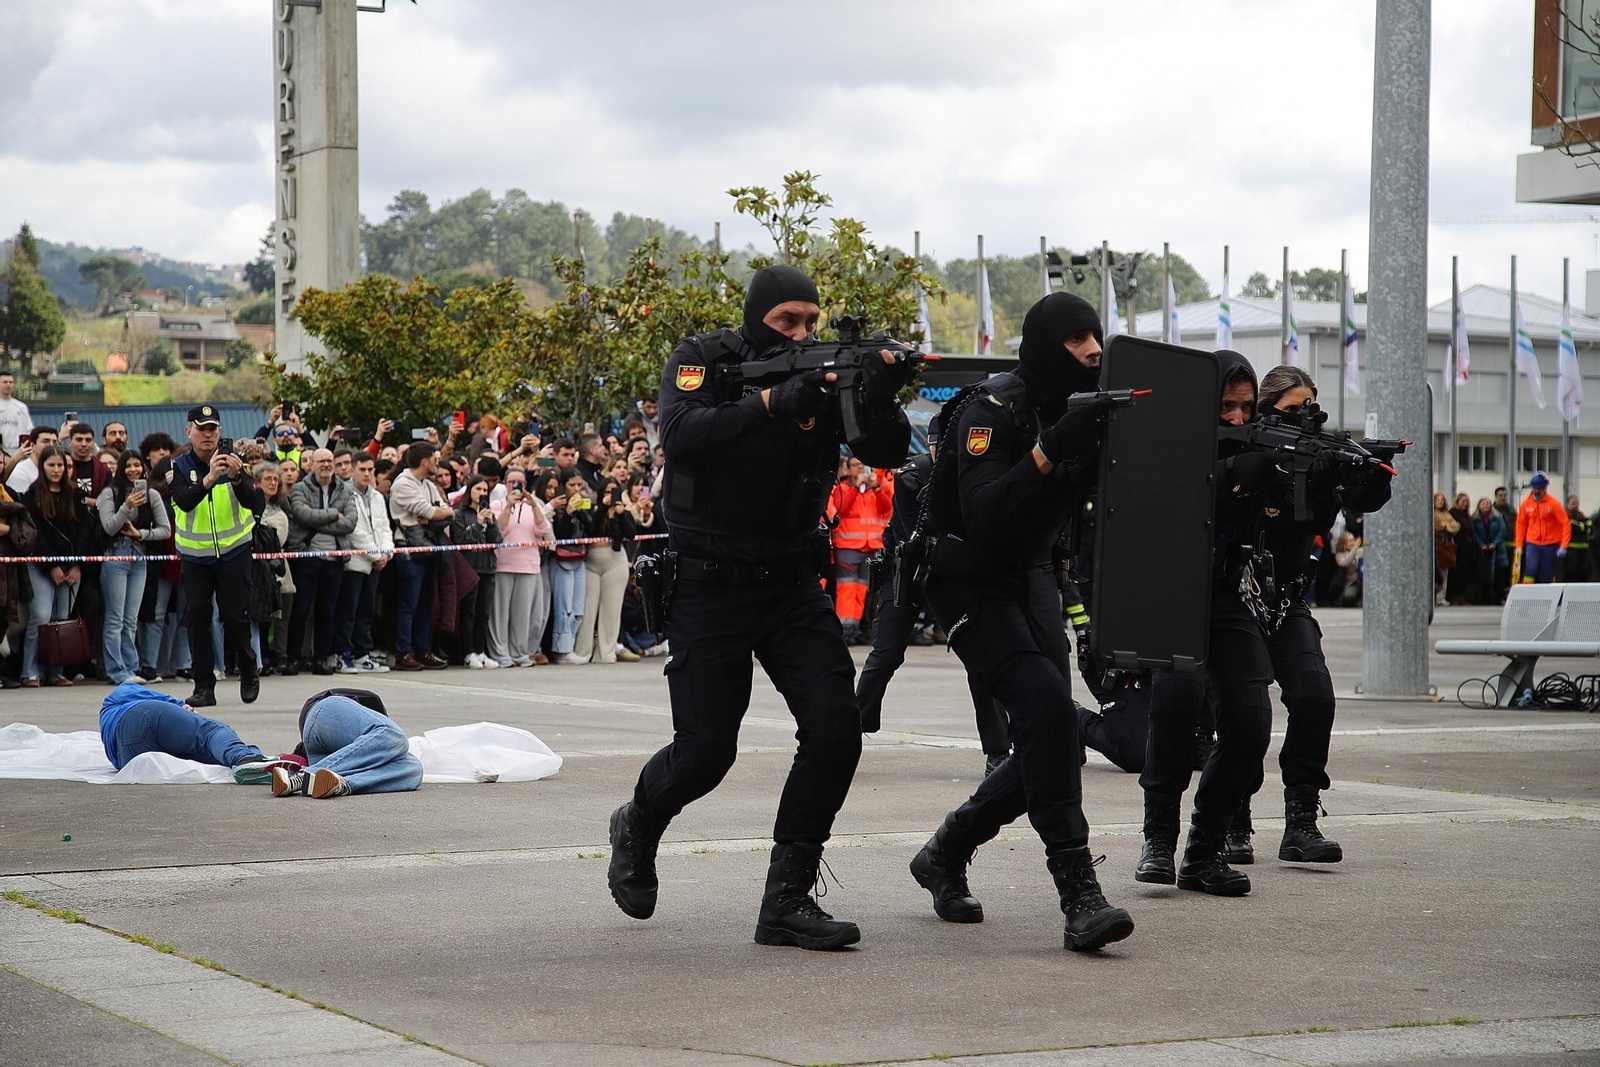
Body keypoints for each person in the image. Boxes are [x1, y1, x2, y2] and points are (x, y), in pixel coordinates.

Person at [607, 264, 913, 951]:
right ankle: (639, 820)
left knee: (836, 729)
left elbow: (887, 449)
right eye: (787, 322)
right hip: (709, 585)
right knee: (706, 751)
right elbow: (681, 434)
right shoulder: (703, 359)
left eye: (811, 322)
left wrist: (878, 391)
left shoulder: (827, 376)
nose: (801, 333)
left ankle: (787, 900)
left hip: (790, 584)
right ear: (757, 319)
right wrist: (773, 402)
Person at [902, 292, 1131, 952]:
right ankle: (1079, 893)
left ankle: (948, 849)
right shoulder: (990, 410)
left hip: (1031, 576)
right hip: (965, 577)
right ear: (1045, 346)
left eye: (1097, 335)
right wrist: (1050, 450)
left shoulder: (1085, 409)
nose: (1093, 349)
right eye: (1078, 338)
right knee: (1046, 713)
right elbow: (984, 515)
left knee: (1050, 732)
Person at [1223, 365, 1391, 867]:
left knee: (1315, 695)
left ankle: (1301, 821)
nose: (1304, 418)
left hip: (1288, 599)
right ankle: (1232, 819)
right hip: (1237, 598)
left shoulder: (1318, 457)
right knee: (1244, 713)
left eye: (1310, 409)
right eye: (1292, 410)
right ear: (1266, 410)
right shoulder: (1244, 450)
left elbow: (1354, 502)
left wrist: (1366, 477)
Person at [1134, 350, 1277, 899]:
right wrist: (1227, 475)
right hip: (1175, 593)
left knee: (1250, 721)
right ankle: (1158, 839)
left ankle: (1206, 847)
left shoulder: (1263, 446)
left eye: (1247, 407)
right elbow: (1159, 502)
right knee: (1174, 708)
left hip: (1229, 593)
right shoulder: (1171, 441)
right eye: (1225, 407)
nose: (1237, 417)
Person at [855, 415, 1010, 773]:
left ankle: (998, 750)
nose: (946, 453)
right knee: (885, 655)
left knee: (980, 662)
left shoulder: (977, 475)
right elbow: (919, 537)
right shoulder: (913, 476)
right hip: (909, 570)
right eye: (940, 446)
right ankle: (848, 731)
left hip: (954, 575)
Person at [168, 404, 265, 708]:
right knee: (197, 617)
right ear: (189, 431)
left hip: (234, 551)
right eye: (201, 429)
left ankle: (248, 670)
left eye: (212, 429)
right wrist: (209, 478)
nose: (207, 435)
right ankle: (203, 686)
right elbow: (183, 501)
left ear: (220, 431)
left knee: (235, 616)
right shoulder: (178, 467)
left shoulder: (236, 463)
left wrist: (236, 478)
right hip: (195, 556)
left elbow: (254, 503)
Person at [100, 682, 293, 781]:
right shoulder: (116, 698)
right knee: (211, 732)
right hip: (143, 716)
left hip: (128, 754)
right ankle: (246, 757)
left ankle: (254, 761)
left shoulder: (107, 729)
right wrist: (178, 704)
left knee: (204, 753)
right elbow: (125, 691)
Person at [21, 445, 92, 687]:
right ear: (42, 467)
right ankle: (30, 672)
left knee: (63, 619)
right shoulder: (32, 496)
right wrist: (51, 565)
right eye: (51, 465)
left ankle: (56, 671)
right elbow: (36, 534)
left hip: (72, 567)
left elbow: (84, 532)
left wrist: (77, 565)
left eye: (60, 465)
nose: (56, 469)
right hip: (41, 565)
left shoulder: (77, 495)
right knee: (41, 616)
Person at [96, 450, 170, 684]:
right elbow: (109, 527)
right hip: (115, 556)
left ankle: (130, 668)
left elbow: (165, 530)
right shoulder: (109, 493)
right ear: (120, 469)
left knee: (131, 619)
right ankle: (116, 670)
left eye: (137, 465)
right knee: (115, 618)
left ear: (143, 468)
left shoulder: (152, 494)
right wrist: (126, 506)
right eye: (127, 466)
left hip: (140, 557)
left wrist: (141, 534)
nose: (133, 470)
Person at [269, 688, 424, 798]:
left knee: (413, 768)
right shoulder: (378, 724)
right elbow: (373, 701)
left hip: (322, 755)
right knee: (393, 736)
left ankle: (340, 785)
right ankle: (303, 776)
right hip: (324, 710)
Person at [285, 448, 356, 675]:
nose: (326, 464)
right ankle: (293, 659)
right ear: (312, 464)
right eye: (321, 461)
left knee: (328, 612)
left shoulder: (345, 489)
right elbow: (302, 516)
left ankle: (321, 659)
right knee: (301, 610)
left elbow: (351, 523)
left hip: (334, 559)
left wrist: (316, 517)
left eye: (329, 460)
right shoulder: (300, 488)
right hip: (307, 556)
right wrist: (335, 513)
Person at [388, 443, 452, 671]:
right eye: (435, 459)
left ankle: (423, 650)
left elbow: (445, 511)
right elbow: (431, 512)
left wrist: (438, 513)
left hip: (428, 547)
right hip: (409, 549)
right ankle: (403, 652)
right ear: (424, 461)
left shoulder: (428, 484)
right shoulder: (403, 484)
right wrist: (435, 513)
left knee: (426, 603)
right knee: (409, 604)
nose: (437, 463)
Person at [828, 455, 893, 644]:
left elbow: (886, 508)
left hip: (870, 547)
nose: (859, 468)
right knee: (847, 591)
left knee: (861, 592)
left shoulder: (873, 490)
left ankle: (854, 630)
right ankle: (844, 630)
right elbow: (841, 509)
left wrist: (877, 488)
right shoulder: (843, 489)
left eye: (862, 464)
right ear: (848, 469)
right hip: (848, 547)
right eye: (855, 465)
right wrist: (856, 488)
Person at [339, 452, 394, 674]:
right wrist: (375, 554)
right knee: (348, 612)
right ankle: (344, 655)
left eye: (371, 470)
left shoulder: (377, 496)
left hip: (375, 563)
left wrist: (385, 553)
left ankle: (363, 654)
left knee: (366, 612)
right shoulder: (344, 493)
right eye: (362, 469)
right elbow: (354, 530)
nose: (367, 474)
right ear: (353, 469)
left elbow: (384, 527)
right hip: (354, 562)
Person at [574, 477, 636, 664]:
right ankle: (583, 652)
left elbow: (631, 533)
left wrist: (620, 514)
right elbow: (590, 528)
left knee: (611, 610)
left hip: (615, 561)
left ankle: (606, 653)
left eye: (614, 491)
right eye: (607, 491)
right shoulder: (594, 509)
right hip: (592, 560)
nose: (610, 495)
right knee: (587, 610)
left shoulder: (623, 512)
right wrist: (603, 507)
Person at [454, 474, 504, 669]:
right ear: (469, 491)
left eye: (485, 490)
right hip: (470, 568)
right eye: (478, 489)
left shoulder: (490, 513)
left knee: (484, 613)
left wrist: (490, 523)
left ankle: (480, 651)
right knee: (469, 612)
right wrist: (477, 523)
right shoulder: (460, 513)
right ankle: (468, 653)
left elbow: (496, 541)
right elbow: (461, 540)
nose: (482, 493)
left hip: (488, 567)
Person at [548, 468, 594, 663]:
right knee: (564, 606)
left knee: (577, 606)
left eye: (579, 485)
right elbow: (559, 533)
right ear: (563, 486)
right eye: (571, 485)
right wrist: (567, 513)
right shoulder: (557, 506)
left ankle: (570, 645)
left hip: (579, 556)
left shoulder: (583, 503)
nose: (576, 489)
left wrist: (581, 510)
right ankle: (561, 649)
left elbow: (591, 529)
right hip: (562, 558)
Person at [254, 462, 294, 674]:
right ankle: (261, 657)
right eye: (267, 479)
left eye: (276, 480)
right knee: (259, 616)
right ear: (256, 482)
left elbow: (278, 539)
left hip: (277, 567)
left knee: (281, 615)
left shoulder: (280, 510)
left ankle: (280, 655)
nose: (272, 483)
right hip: (254, 568)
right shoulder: (250, 507)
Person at [1515, 472, 1570, 585]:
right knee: (1530, 569)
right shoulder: (1526, 504)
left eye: (1539, 488)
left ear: (1545, 488)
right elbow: (1521, 524)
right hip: (1532, 542)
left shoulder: (1553, 503)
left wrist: (1564, 545)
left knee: (1546, 573)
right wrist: (1519, 545)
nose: (1536, 491)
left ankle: (1550, 593)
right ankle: (1527, 592)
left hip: (1551, 544)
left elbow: (1565, 523)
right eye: (1535, 488)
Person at [1470, 496, 1509, 604]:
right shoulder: (1475, 519)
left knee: (1499, 575)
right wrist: (1481, 544)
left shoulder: (1498, 517)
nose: (1485, 506)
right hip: (1483, 552)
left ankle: (1499, 597)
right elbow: (1474, 533)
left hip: (1497, 550)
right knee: (1484, 576)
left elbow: (1503, 530)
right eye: (1483, 504)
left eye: (1487, 503)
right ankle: (1486, 598)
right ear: (1479, 506)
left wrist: (1495, 543)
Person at [5, 425, 56, 494]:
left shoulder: (58, 470)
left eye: (54, 442)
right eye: (46, 441)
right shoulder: (20, 472)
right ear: (32, 445)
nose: (51, 445)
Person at [1433, 492, 1461, 604]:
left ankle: (1441, 597)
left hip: (1447, 545)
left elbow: (1456, 527)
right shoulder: (1433, 513)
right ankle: (1436, 597)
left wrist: (1447, 526)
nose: (1440, 502)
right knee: (1437, 572)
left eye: (1442, 500)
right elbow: (1438, 527)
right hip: (1438, 545)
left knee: (1445, 572)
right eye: (1438, 500)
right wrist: (1447, 526)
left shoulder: (1447, 514)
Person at [1448, 492, 1476, 604]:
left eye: (1467, 502)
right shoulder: (1453, 514)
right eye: (1463, 501)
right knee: (1456, 574)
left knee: (1465, 574)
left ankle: (1461, 595)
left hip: (1467, 550)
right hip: (1458, 548)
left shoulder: (1467, 517)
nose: (1465, 504)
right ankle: (1454, 596)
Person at [1562, 495, 1591, 583]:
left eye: (1577, 503)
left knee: (1584, 572)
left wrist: (1580, 526)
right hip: (1571, 550)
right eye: (1573, 503)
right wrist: (1582, 526)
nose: (1576, 505)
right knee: (1571, 573)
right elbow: (1572, 528)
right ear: (1568, 504)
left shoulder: (1581, 515)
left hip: (1583, 549)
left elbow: (1590, 525)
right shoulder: (1565, 515)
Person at [0, 371, 31, 451]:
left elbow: (29, 430)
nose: (8, 385)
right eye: (5, 382)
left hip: (18, 451)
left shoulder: (22, 407)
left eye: (11, 382)